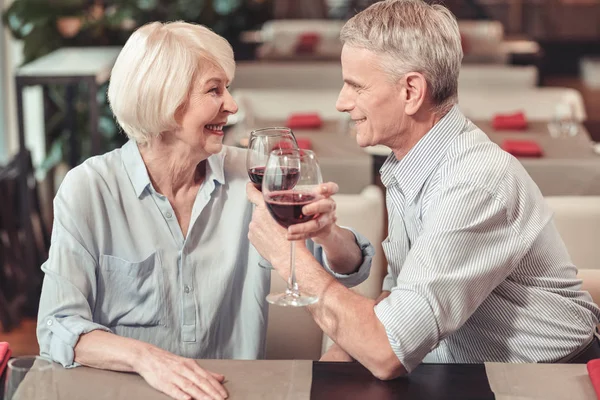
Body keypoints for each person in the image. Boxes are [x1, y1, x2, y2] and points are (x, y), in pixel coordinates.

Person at [247, 0, 600, 381]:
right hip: (465, 369)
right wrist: (337, 360)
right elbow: (402, 297)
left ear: (412, 91)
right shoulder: (411, 163)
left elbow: (387, 351)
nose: (341, 102)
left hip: (547, 381)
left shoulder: (473, 182)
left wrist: (288, 256)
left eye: (355, 86)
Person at [36, 21, 373, 400]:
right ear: (164, 99)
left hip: (231, 393)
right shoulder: (90, 189)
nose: (231, 105)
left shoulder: (253, 176)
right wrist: (149, 360)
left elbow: (346, 272)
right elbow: (58, 326)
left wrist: (328, 234)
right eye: (215, 90)